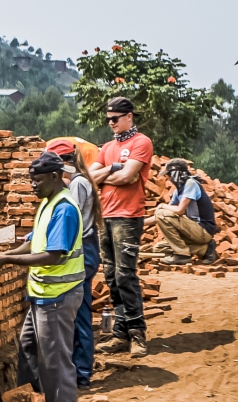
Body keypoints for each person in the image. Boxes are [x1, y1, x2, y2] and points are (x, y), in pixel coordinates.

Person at [0, 152, 85, 402]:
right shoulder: (47, 204)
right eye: (30, 180)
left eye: (37, 181)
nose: (32, 186)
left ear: (55, 177)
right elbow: (33, 243)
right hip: (41, 295)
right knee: (27, 353)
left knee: (56, 362)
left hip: (58, 295)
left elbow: (53, 255)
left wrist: (8, 262)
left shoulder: (64, 208)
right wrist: (4, 254)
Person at [89, 97, 153, 358]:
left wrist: (107, 174)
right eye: (108, 119)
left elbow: (128, 176)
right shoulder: (107, 147)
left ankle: (137, 334)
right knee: (112, 277)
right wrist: (111, 171)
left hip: (128, 216)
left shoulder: (141, 142)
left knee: (126, 275)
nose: (111, 123)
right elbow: (89, 177)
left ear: (129, 116)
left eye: (115, 118)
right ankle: (120, 333)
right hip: (106, 215)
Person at [46, 138, 102, 389]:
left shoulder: (78, 183)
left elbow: (72, 219)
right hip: (85, 249)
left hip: (85, 251)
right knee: (78, 311)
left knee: (79, 313)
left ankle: (81, 372)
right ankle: (79, 368)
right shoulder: (78, 179)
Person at [153, 159, 219, 265]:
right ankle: (205, 249)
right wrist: (140, 223)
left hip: (203, 230)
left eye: (168, 175)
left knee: (161, 213)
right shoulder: (178, 190)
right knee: (159, 248)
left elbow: (179, 210)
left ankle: (182, 255)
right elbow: (163, 214)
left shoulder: (191, 184)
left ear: (175, 173)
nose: (167, 178)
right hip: (192, 230)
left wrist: (161, 206)